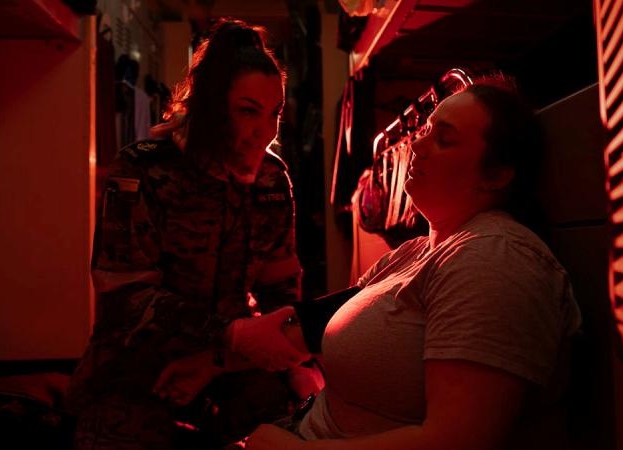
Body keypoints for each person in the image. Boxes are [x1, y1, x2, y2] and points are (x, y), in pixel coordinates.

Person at [244, 76, 582, 450]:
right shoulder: (414, 253)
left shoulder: (494, 259)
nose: (417, 144)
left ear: (496, 175)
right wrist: (215, 355)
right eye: (425, 131)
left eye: (444, 139)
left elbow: (457, 441)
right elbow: (306, 328)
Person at [65, 18, 312, 449]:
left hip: (230, 364)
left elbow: (281, 296)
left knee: (291, 429)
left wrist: (219, 359)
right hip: (136, 360)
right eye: (248, 111)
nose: (266, 132)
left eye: (274, 113)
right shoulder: (142, 170)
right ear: (212, 107)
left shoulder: (272, 180)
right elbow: (127, 299)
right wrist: (228, 337)